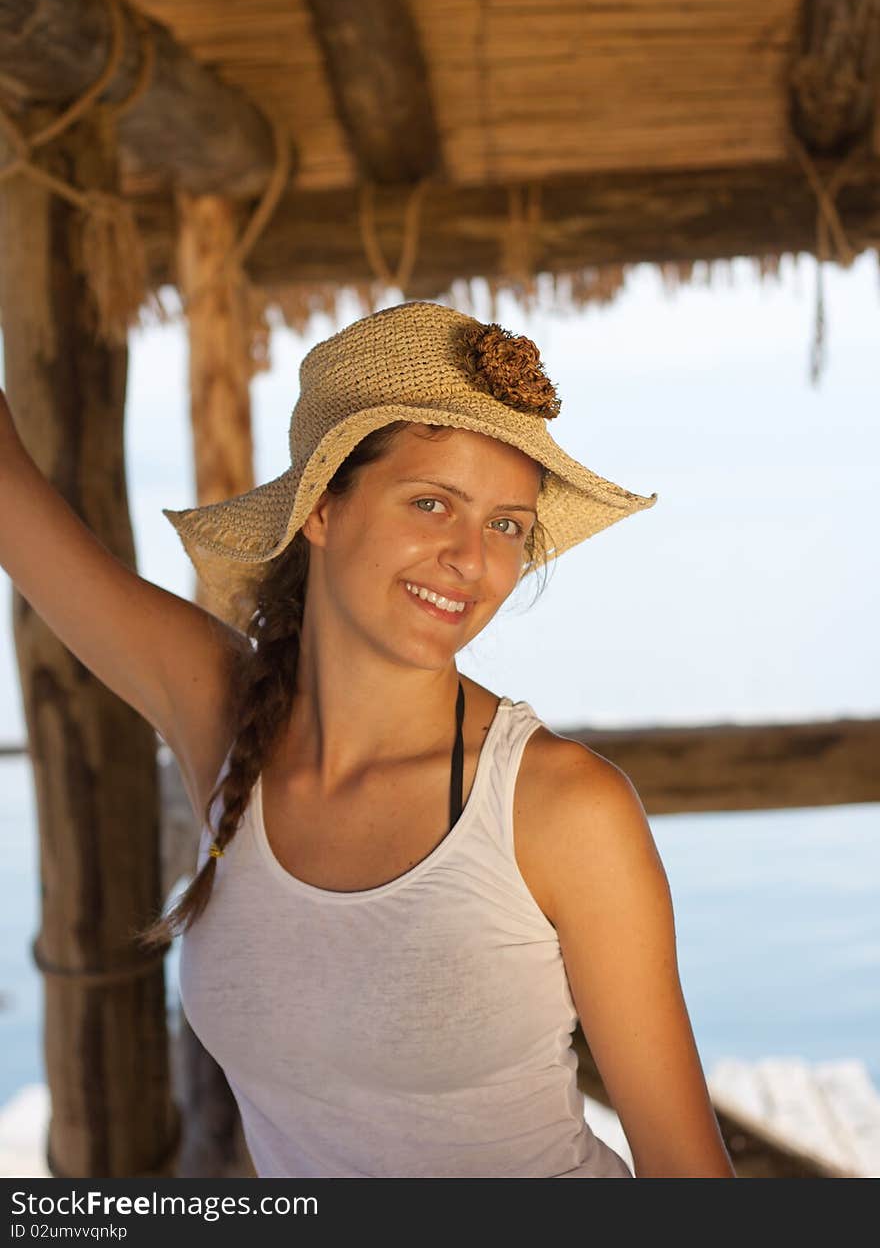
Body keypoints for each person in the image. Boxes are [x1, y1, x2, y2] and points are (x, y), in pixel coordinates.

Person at [0, 299, 735, 1178]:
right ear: (321, 507)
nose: (474, 560)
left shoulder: (561, 807)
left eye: (506, 524)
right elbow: (18, 512)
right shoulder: (230, 725)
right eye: (432, 503)